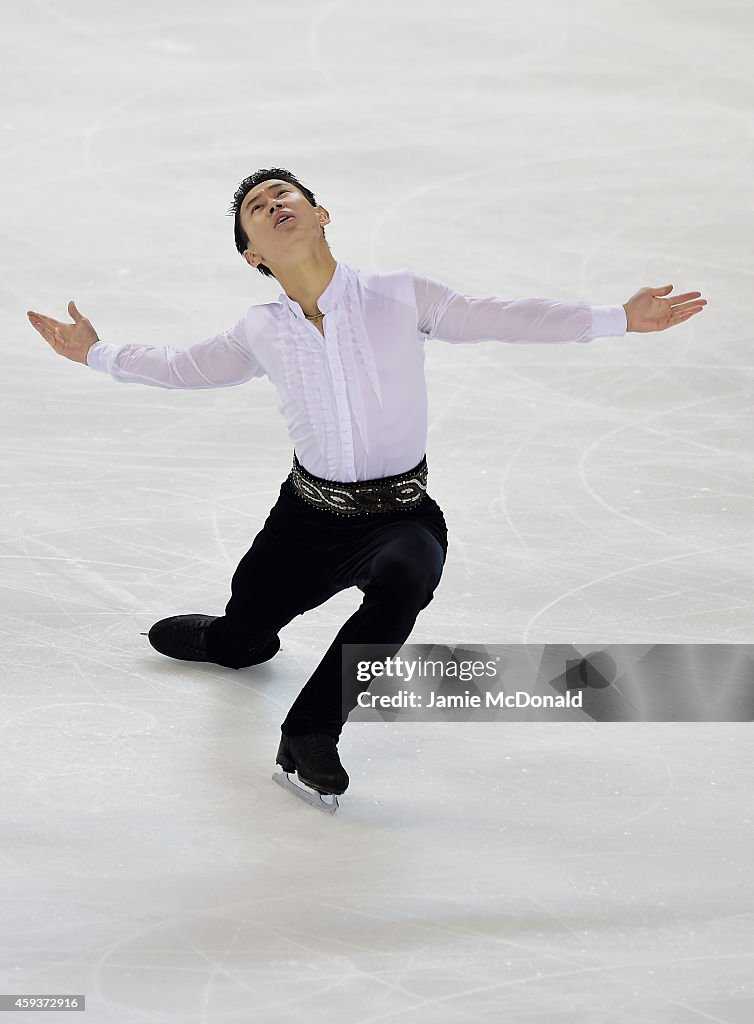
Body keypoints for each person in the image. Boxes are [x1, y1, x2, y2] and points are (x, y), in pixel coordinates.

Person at [26, 166, 707, 806]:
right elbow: (182, 366)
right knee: (246, 637)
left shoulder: (398, 295)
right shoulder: (260, 329)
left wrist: (619, 316)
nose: (273, 205)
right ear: (253, 256)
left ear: (320, 213)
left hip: (401, 516)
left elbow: (501, 314)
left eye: (283, 194)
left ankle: (311, 732)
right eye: (256, 209)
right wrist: (94, 351)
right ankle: (231, 642)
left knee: (407, 578)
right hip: (305, 521)